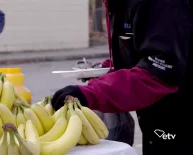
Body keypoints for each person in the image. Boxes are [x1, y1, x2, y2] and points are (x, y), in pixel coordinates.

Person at [51, 0, 193, 155]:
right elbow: (140, 53)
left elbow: (159, 74)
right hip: (158, 122)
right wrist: (106, 69)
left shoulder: (165, 5)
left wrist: (92, 93)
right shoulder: (118, 4)